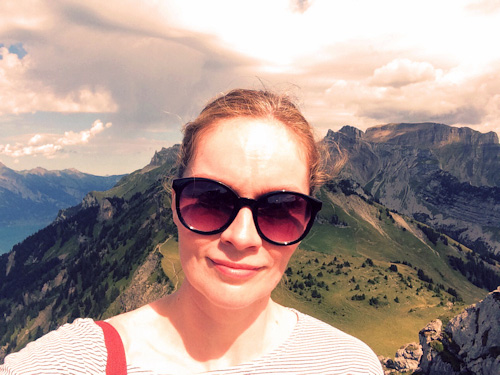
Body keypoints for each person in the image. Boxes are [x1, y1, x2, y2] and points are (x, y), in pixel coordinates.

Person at [1, 89, 383, 374]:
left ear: (307, 221)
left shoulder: (351, 365)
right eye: (210, 200)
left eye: (281, 210)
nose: (242, 236)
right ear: (174, 204)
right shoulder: (71, 363)